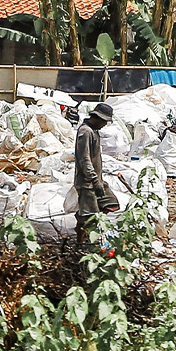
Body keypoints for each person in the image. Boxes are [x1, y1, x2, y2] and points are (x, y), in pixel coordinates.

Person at [74, 102, 120, 246]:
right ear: (98, 118)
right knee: (90, 218)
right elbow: (84, 159)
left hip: (96, 180)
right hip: (87, 183)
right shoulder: (85, 132)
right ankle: (83, 244)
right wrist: (95, 180)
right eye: (104, 121)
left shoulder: (94, 131)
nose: (105, 125)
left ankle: (83, 224)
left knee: (111, 203)